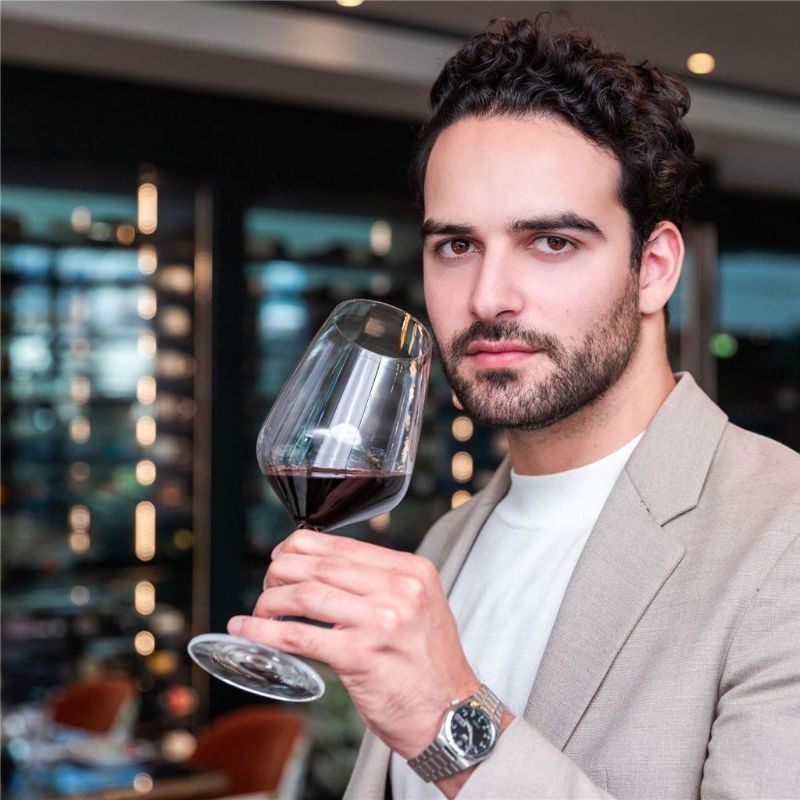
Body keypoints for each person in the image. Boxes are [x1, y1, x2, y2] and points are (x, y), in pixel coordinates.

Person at [228, 16, 800, 799]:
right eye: (456, 246)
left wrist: (449, 720)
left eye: (552, 242)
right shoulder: (446, 544)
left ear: (655, 268)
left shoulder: (780, 538)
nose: (489, 296)